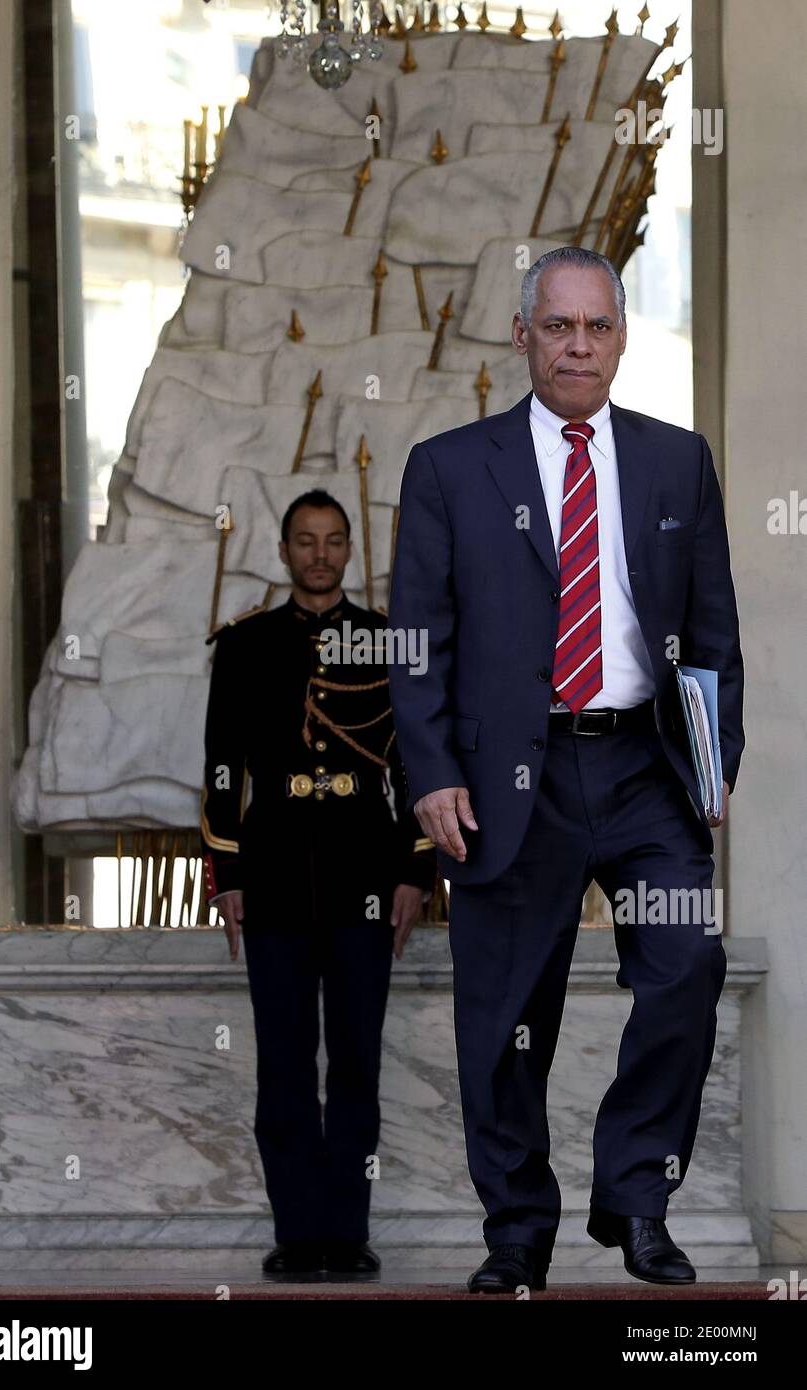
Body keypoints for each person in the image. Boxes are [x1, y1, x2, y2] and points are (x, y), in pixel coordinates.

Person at [387, 246, 744, 1294]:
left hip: (643, 770)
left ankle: (635, 1198)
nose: (577, 346)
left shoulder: (677, 461)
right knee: (499, 1020)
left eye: (595, 328)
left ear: (620, 338)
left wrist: (711, 763)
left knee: (686, 968)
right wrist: (431, 770)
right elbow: (418, 639)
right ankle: (516, 1230)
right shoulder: (450, 467)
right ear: (521, 336)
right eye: (557, 326)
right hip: (506, 781)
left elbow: (713, 632)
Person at [200, 488, 435, 1279]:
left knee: (358, 1063)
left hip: (365, 876)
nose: (322, 554)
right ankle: (298, 1232)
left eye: (334, 541)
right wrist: (228, 872)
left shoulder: (385, 643)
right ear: (284, 550)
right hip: (272, 878)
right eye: (306, 541)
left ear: (347, 551)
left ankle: (348, 1231)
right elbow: (223, 766)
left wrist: (413, 869)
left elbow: (417, 766)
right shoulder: (245, 646)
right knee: (285, 1063)